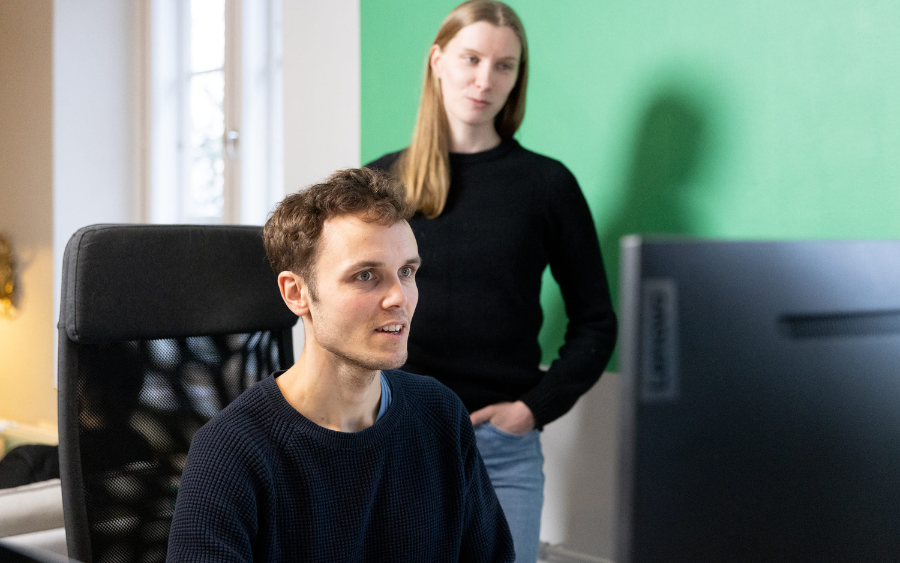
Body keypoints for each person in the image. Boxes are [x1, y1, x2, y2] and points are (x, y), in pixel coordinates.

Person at [365, 2, 617, 561]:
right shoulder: (381, 182)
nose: (485, 81)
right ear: (438, 61)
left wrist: (531, 410)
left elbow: (597, 324)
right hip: (395, 435)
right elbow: (351, 309)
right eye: (471, 59)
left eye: (505, 66)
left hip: (502, 449)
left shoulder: (547, 185)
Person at [167, 168, 513, 562]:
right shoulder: (230, 454)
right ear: (296, 293)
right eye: (366, 275)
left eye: (406, 272)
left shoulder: (440, 415)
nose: (399, 297)